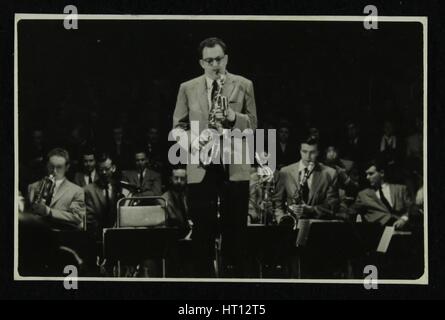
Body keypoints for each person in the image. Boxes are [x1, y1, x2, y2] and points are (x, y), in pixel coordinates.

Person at [172, 37, 257, 277]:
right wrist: (191, 141)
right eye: (209, 60)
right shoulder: (187, 88)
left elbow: (253, 127)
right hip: (201, 166)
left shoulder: (244, 84)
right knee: (202, 233)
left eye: (218, 59)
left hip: (234, 165)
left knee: (236, 233)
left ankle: (235, 288)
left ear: (226, 59)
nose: (215, 64)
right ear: (201, 63)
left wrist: (233, 118)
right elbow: (177, 127)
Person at [273, 136, 340, 224]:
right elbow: (278, 204)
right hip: (290, 226)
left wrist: (311, 210)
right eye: (304, 152)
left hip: (317, 227)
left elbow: (332, 206)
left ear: (318, 152)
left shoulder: (330, 173)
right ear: (300, 151)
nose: (308, 156)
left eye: (312, 152)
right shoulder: (285, 172)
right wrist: (283, 221)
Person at [27, 148, 85, 230]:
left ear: (67, 167)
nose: (54, 171)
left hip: (62, 238)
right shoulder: (32, 187)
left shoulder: (77, 191)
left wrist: (49, 211)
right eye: (51, 166)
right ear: (47, 165)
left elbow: (77, 218)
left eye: (59, 167)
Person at [351, 159, 412, 229]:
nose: (367, 177)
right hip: (378, 231)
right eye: (366, 174)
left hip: (401, 230)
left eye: (371, 174)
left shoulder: (401, 189)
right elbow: (351, 211)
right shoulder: (363, 195)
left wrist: (404, 219)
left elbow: (411, 209)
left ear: (382, 173)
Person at [84, 153, 123, 239]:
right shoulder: (88, 190)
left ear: (113, 168)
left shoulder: (120, 188)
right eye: (100, 169)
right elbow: (90, 219)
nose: (104, 172)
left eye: (107, 169)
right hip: (97, 237)